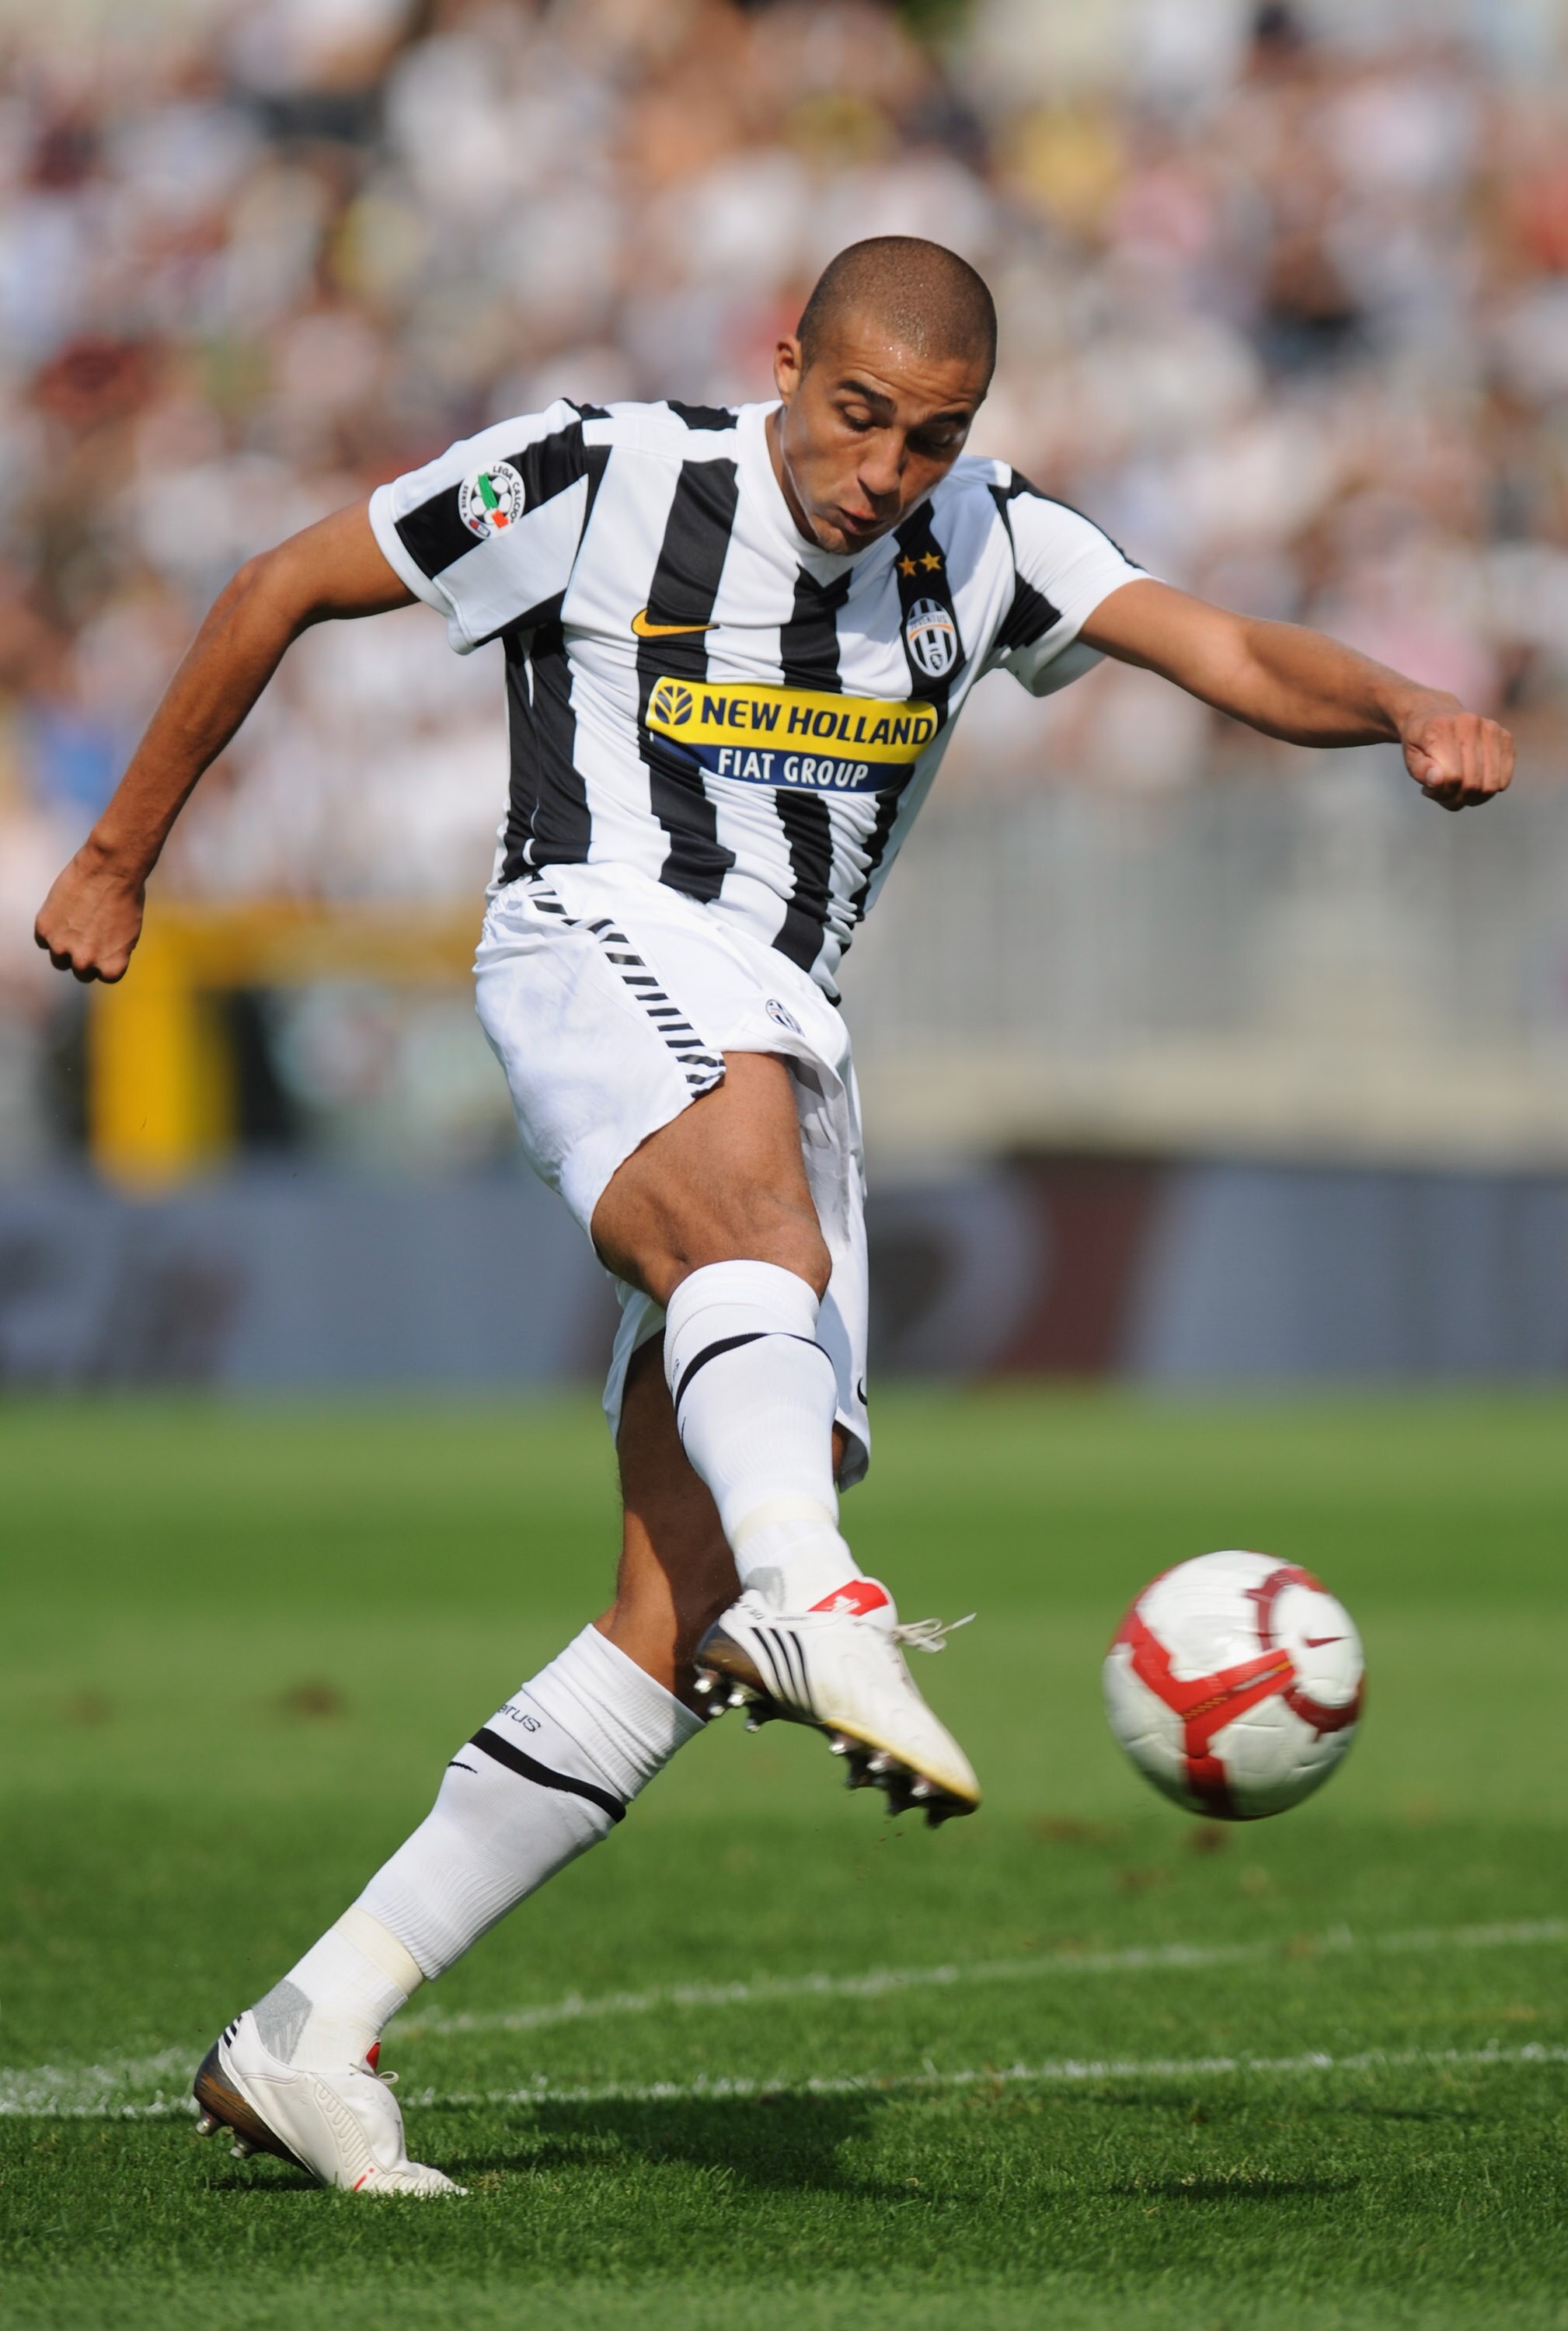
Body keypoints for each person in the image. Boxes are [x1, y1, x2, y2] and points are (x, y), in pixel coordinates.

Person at [34, 238, 1514, 2196]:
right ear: (786, 360)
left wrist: (1406, 700)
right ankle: (824, 1609)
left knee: (669, 1616)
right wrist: (122, 856)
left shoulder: (991, 540)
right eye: (860, 415)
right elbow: (281, 583)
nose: (888, 468)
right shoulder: (596, 474)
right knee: (754, 1266)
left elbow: (1225, 651)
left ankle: (314, 2023)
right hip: (594, 930)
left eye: (933, 436)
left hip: (789, 1033)